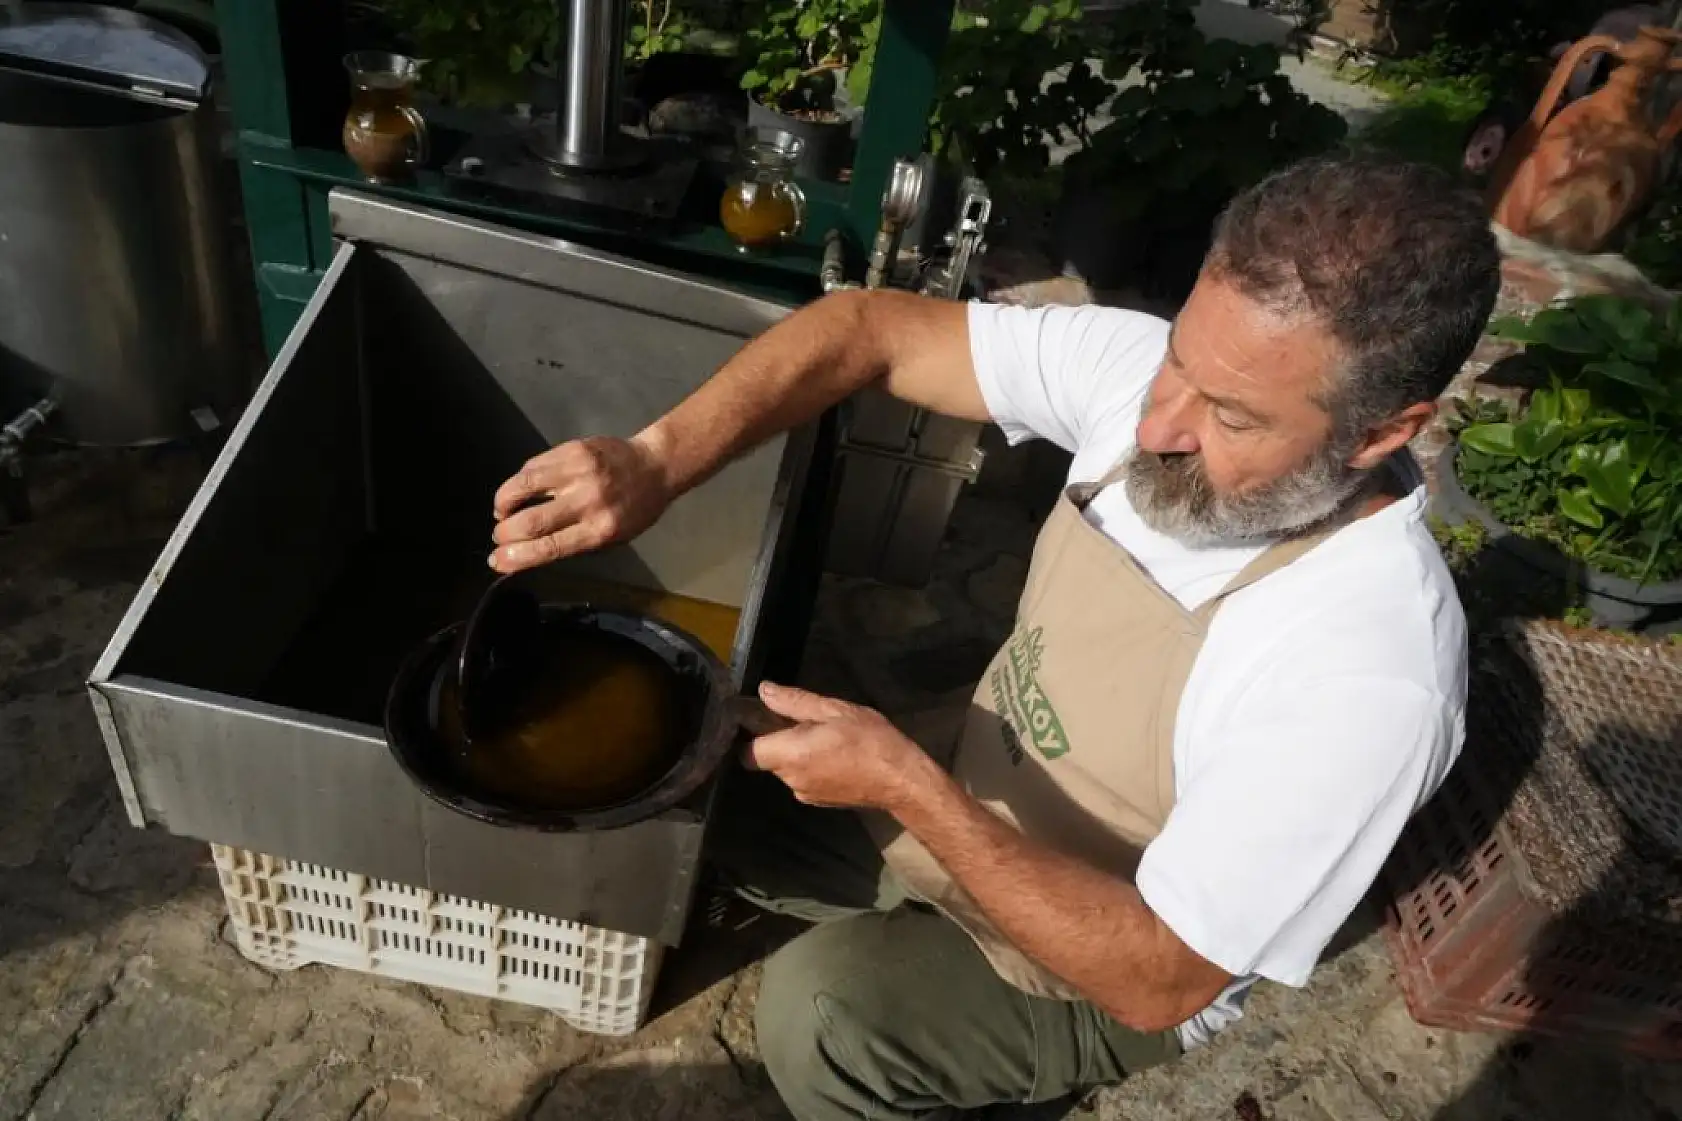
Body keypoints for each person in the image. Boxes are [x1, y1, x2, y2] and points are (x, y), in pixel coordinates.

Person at [487, 156, 1501, 1120]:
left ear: (1377, 434)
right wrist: (657, 460)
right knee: (691, 776)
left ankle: (970, 1058)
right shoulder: (1160, 380)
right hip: (975, 781)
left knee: (826, 1013)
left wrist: (907, 789)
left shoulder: (1366, 673)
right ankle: (901, 931)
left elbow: (1158, 976)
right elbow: (863, 327)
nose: (1158, 427)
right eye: (1176, 366)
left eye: (1230, 417)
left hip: (1101, 960)